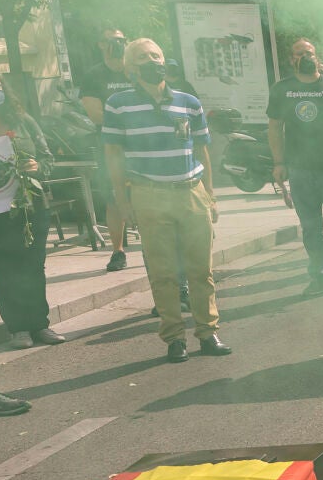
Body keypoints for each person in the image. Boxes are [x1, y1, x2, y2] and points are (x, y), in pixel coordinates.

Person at [102, 38, 232, 363]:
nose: (152, 61)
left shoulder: (189, 102)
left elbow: (202, 150)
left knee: (201, 269)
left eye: (156, 55)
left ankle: (208, 332)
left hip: (191, 192)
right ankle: (174, 338)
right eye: (142, 57)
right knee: (163, 273)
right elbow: (113, 154)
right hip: (148, 194)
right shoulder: (118, 105)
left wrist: (211, 195)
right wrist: (122, 200)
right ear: (130, 69)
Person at [269, 38, 323, 296]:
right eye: (299, 54)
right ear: (291, 59)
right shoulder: (282, 90)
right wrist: (278, 163)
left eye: (309, 53)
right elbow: (274, 127)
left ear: (316, 57)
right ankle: (320, 276)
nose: (305, 57)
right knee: (310, 227)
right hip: (299, 170)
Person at [0, 74, 64, 349]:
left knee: (33, 266)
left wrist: (37, 167)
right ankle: (18, 328)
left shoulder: (23, 121)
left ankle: (40, 324)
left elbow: (47, 158)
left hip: (30, 206)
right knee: (2, 270)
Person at [79, 27, 136, 273]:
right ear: (101, 45)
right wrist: (131, 122)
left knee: (148, 193)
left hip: (143, 144)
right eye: (112, 40)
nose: (118, 44)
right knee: (114, 197)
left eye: (122, 40)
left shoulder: (134, 70)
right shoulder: (93, 76)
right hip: (112, 145)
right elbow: (95, 115)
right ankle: (118, 250)